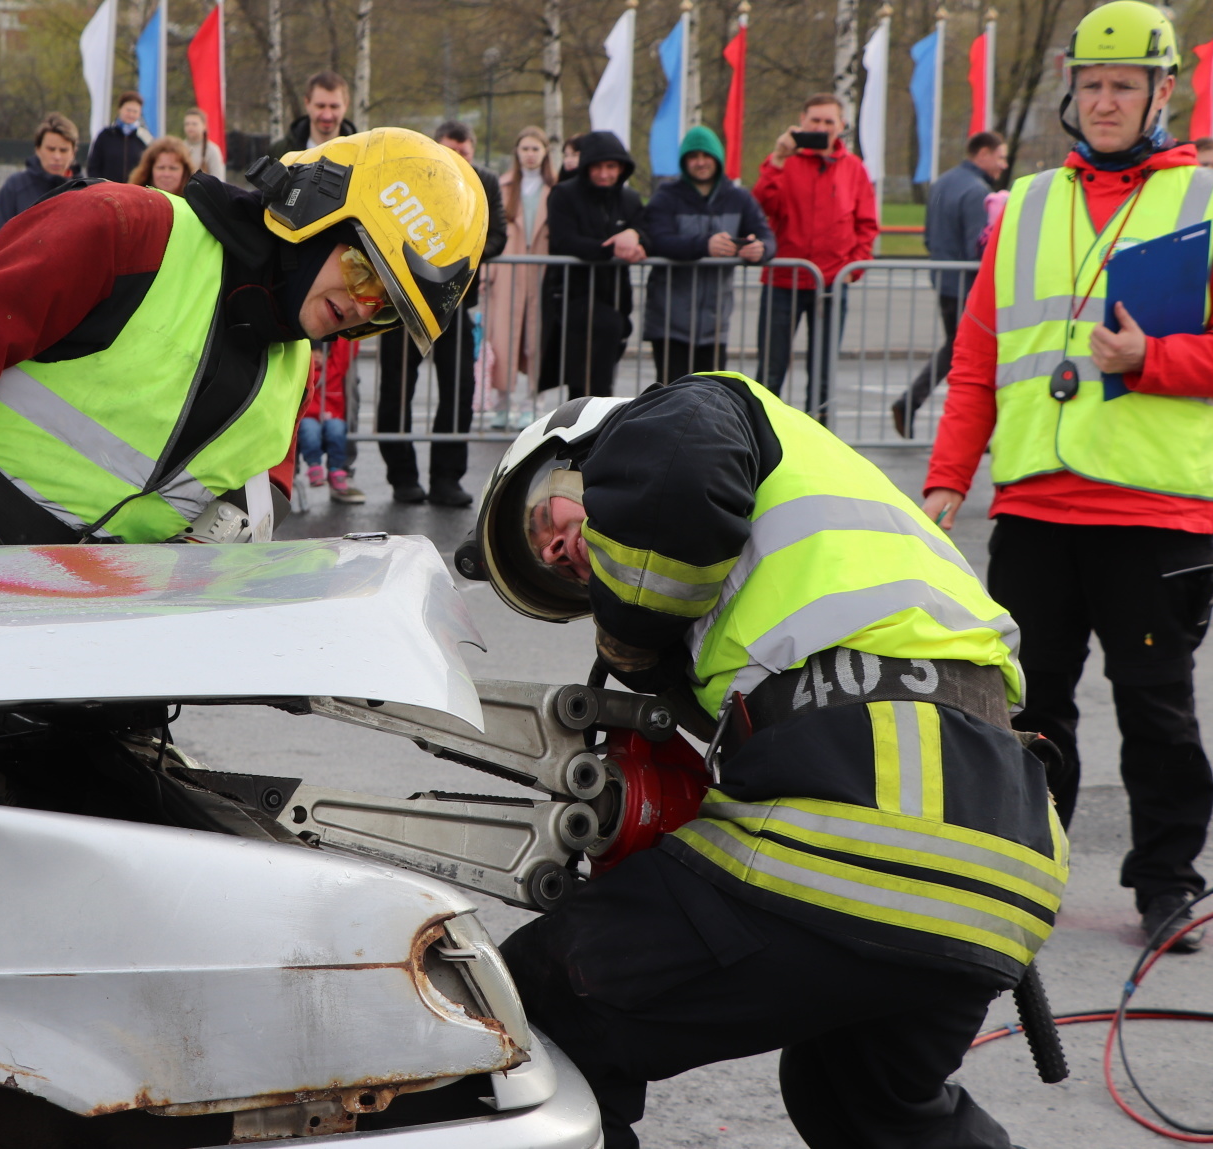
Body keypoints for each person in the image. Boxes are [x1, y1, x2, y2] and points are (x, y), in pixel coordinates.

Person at [453, 378, 1060, 1149]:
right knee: (860, 1095)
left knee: (541, 999)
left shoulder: (684, 414)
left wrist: (630, 637)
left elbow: (680, 468)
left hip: (861, 818)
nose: (555, 549)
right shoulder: (815, 530)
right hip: (1008, 853)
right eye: (556, 569)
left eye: (546, 518)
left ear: (580, 455)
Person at [922, 0, 1213, 951]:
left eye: (1126, 84)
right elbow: (978, 362)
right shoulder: (1027, 205)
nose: (1108, 100)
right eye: (1093, 85)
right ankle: (1025, 878)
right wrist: (947, 480)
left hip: (1156, 515)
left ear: (1165, 91)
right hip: (1036, 512)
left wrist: (1148, 360)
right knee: (1028, 714)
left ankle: (1167, 885)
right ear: (1070, 95)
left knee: (1155, 711)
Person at [0, 128, 488, 549]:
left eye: (385, 307)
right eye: (364, 269)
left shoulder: (289, 363)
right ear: (317, 211)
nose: (360, 309)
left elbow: (248, 496)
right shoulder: (127, 229)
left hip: (75, 656)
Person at [374, 120, 505, 507]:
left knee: (460, 389)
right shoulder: (412, 176)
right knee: (396, 390)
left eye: (463, 152)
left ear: (473, 151)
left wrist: (454, 252)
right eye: (450, 150)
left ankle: (447, 477)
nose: (458, 158)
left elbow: (497, 236)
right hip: (403, 301)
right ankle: (402, 477)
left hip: (457, 302)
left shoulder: (486, 182)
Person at [754, 94, 878, 422]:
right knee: (770, 371)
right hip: (783, 281)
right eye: (815, 121)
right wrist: (779, 158)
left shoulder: (854, 169)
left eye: (828, 121)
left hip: (832, 285)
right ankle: (759, 443)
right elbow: (761, 207)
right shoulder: (784, 161)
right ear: (801, 121)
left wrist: (854, 268)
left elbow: (867, 224)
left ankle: (819, 443)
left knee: (823, 374)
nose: (821, 127)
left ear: (841, 126)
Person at [892, 130, 1009, 437]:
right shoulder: (976, 191)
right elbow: (979, 247)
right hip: (969, 288)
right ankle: (972, 429)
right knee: (975, 357)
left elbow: (930, 236)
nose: (1004, 165)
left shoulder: (943, 182)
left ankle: (911, 403)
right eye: (1000, 157)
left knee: (958, 350)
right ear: (982, 154)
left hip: (945, 282)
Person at [643, 125, 774, 381]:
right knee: (671, 398)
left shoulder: (739, 198)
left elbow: (767, 236)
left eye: (706, 156)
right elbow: (657, 240)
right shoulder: (666, 196)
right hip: (670, 321)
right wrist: (704, 246)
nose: (700, 162)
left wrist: (760, 249)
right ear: (684, 162)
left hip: (714, 323)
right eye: (693, 157)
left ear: (717, 159)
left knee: (709, 400)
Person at [541, 131, 645, 399]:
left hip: (616, 298)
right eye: (597, 166)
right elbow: (564, 241)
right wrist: (613, 248)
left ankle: (595, 434)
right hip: (572, 297)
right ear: (586, 166)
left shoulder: (629, 199)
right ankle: (582, 436)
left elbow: (650, 232)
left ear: (622, 168)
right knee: (583, 383)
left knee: (602, 381)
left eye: (611, 167)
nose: (604, 174)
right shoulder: (563, 194)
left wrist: (636, 237)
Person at [480, 126, 554, 427]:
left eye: (536, 148)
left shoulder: (555, 188)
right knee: (503, 341)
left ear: (545, 152)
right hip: (507, 275)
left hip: (541, 274)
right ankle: (501, 405)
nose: (530, 154)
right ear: (517, 152)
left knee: (536, 342)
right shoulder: (504, 186)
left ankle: (534, 404)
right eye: (525, 148)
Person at [0, 114, 80, 240]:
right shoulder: (15, 187)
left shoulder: (86, 190)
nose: (57, 156)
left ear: (73, 152)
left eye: (63, 150)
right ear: (38, 149)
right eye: (51, 149)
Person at [300, 338, 363, 503]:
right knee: (308, 430)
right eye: (314, 352)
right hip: (310, 417)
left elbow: (346, 346)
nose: (318, 356)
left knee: (337, 430)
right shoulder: (303, 371)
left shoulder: (335, 367)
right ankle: (314, 466)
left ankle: (336, 469)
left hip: (333, 416)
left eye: (322, 352)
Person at [267, 72, 355, 159]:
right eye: (320, 106)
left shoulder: (361, 152)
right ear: (307, 103)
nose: (327, 116)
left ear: (346, 105)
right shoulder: (279, 153)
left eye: (334, 107)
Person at [86, 92, 151, 182]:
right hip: (107, 191)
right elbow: (93, 166)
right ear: (119, 109)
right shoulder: (105, 135)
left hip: (135, 191)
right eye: (128, 110)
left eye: (135, 111)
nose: (131, 114)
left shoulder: (145, 138)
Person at [128, 136, 197, 194]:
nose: (166, 174)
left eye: (173, 168)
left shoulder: (197, 204)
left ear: (185, 171)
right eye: (160, 168)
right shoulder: (134, 199)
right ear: (149, 170)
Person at [181, 107, 226, 181]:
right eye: (187, 124)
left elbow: (219, 180)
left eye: (194, 124)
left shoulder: (212, 150)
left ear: (204, 126)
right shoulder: (179, 148)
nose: (190, 127)